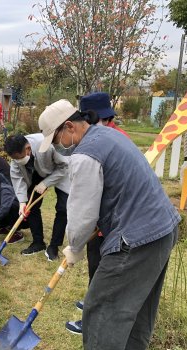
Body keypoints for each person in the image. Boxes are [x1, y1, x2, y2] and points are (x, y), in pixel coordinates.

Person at [39, 99, 179, 350]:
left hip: (137, 235)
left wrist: (73, 246)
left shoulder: (86, 154)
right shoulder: (109, 134)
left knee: (101, 302)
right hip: (162, 227)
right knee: (141, 301)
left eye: (56, 139)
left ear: (69, 127)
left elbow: (82, 213)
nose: (57, 146)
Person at [65, 92, 132, 335]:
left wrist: (75, 244)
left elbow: (90, 196)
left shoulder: (104, 140)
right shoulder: (113, 135)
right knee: (96, 264)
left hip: (116, 223)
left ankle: (94, 316)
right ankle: (93, 300)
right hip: (107, 220)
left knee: (105, 271)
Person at [4, 133, 70, 258]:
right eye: (15, 159)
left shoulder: (48, 144)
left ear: (28, 149)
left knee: (63, 208)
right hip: (35, 172)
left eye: (19, 158)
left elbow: (64, 166)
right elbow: (17, 178)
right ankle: (38, 243)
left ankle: (54, 246)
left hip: (60, 171)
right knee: (31, 207)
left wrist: (46, 183)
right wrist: (22, 202)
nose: (17, 161)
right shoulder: (16, 157)